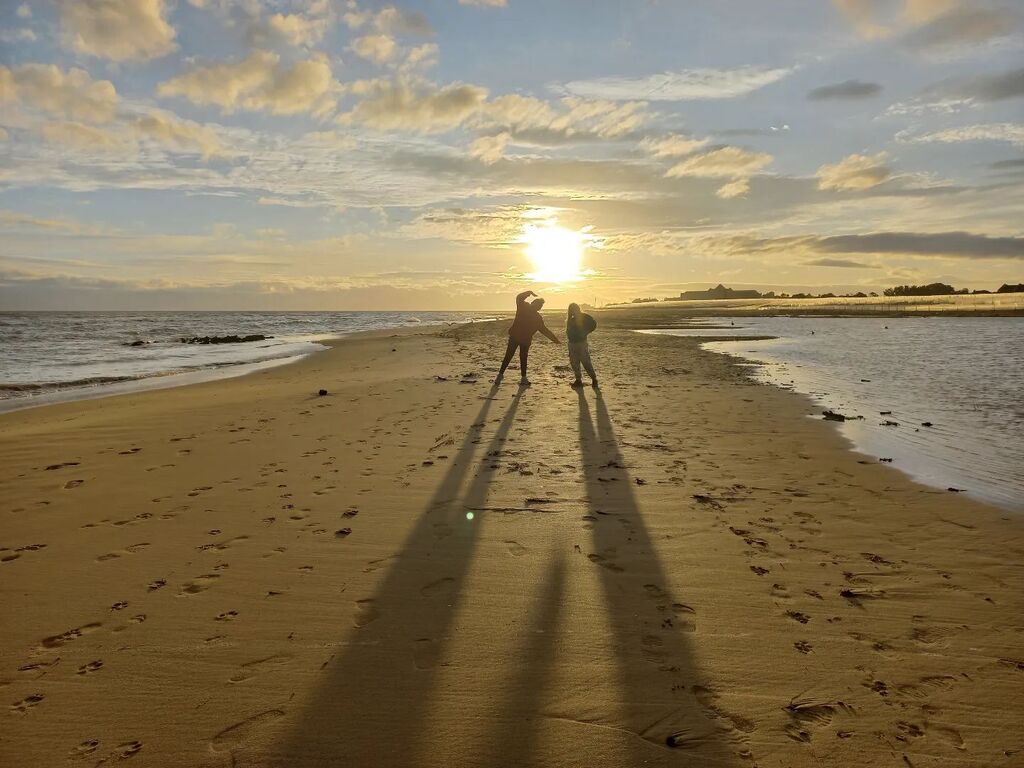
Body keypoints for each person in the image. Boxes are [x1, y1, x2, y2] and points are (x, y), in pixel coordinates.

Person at [496, 290, 560, 385]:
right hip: (515, 337)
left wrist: (555, 339)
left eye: (540, 307)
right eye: (538, 305)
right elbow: (519, 297)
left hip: (525, 340)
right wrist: (529, 292)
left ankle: (523, 378)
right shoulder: (523, 306)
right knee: (509, 356)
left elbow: (544, 330)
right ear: (533, 302)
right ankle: (500, 375)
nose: (538, 308)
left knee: (523, 358)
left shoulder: (537, 317)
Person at [565, 303, 598, 388]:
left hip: (581, 343)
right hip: (572, 343)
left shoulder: (585, 317)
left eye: (574, 309)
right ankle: (578, 380)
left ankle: (594, 379)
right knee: (574, 363)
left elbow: (594, 324)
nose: (573, 311)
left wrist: (585, 332)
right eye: (571, 310)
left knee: (586, 361)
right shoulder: (570, 319)